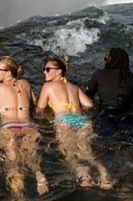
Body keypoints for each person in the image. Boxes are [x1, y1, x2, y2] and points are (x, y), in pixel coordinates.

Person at [36, 57, 112, 190]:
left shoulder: (48, 86)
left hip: (64, 121)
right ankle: (104, 174)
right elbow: (89, 105)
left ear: (59, 72)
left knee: (70, 154)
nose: (44, 72)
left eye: (47, 69)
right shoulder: (74, 87)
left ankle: (85, 178)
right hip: (82, 121)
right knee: (87, 152)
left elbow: (39, 109)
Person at [0, 56, 48, 201]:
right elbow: (34, 103)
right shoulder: (26, 84)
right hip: (29, 126)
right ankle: (39, 175)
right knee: (31, 157)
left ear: (8, 73)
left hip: (9, 126)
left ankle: (20, 200)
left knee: (13, 164)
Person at [82, 47, 133, 139]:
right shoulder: (130, 77)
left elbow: (87, 95)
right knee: (126, 143)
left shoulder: (99, 74)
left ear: (110, 60)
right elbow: (131, 100)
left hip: (106, 114)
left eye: (105, 59)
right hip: (128, 113)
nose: (104, 62)